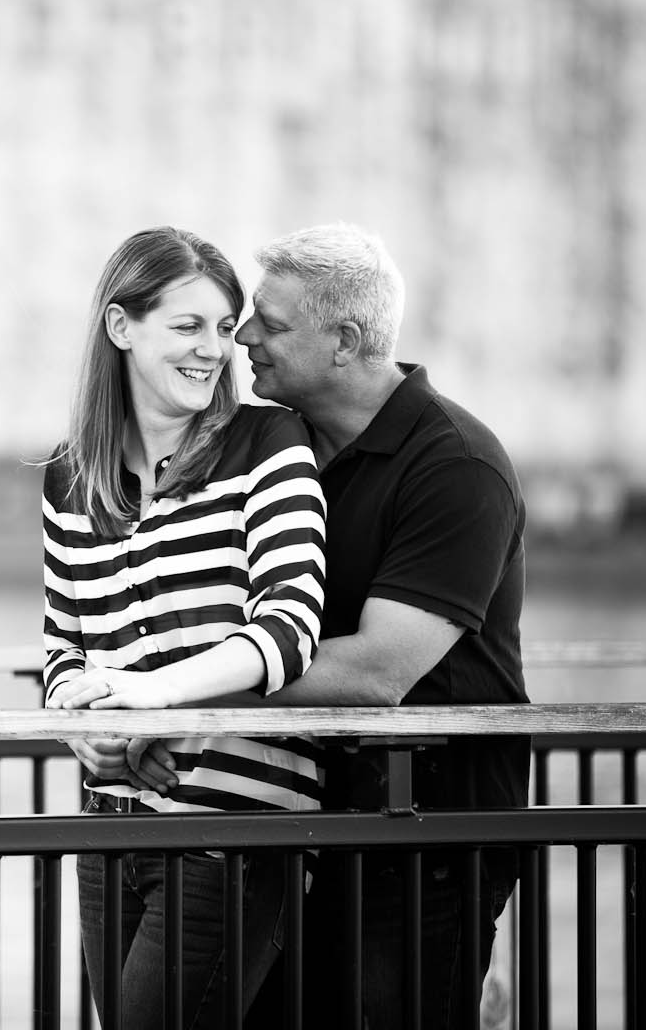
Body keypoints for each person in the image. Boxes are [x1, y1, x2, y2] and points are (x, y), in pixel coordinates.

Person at [235, 223, 529, 1029]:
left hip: (424, 838)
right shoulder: (285, 453)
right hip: (309, 820)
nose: (241, 334)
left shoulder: (455, 465)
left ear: (346, 340)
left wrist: (178, 691)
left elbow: (377, 672)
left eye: (270, 321)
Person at [42, 226, 327, 1027]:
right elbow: (63, 643)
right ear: (121, 327)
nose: (214, 350)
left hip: (234, 831)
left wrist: (151, 696)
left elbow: (290, 626)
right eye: (188, 326)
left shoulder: (267, 442)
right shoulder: (71, 477)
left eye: (225, 328)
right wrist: (84, 726)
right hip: (108, 827)